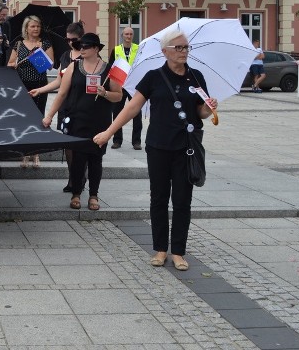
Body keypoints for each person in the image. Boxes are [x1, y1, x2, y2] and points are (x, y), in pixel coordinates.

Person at [93, 29, 218, 272]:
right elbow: (131, 109)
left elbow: (201, 112)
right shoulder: (153, 77)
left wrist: (210, 107)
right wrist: (109, 132)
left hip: (186, 148)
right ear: (165, 51)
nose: (184, 52)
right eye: (179, 48)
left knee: (183, 200)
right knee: (159, 198)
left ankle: (179, 252)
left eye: (186, 48)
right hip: (159, 147)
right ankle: (160, 249)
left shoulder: (196, 76)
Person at [43, 33, 122, 211]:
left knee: (96, 158)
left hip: (99, 120)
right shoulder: (74, 66)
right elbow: (62, 93)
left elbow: (118, 96)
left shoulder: (109, 70)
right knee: (78, 159)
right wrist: (49, 116)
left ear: (96, 49)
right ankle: (76, 193)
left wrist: (105, 94)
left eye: (85, 47)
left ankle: (94, 195)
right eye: (80, 46)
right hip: (77, 118)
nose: (82, 49)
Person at [29, 20, 85, 189]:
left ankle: (81, 176)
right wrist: (41, 89)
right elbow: (59, 82)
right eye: (67, 40)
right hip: (65, 105)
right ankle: (72, 178)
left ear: (81, 38)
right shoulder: (65, 56)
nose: (70, 43)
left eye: (73, 40)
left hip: (82, 105)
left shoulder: (88, 55)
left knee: (82, 145)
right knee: (68, 146)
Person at [8, 15, 54, 167]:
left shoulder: (45, 43)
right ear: (26, 28)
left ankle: (36, 153)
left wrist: (38, 57)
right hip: (22, 85)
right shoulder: (19, 44)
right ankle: (25, 154)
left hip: (40, 86)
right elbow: (10, 63)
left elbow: (50, 66)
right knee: (24, 118)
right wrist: (14, 64)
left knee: (38, 117)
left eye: (38, 26)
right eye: (33, 26)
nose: (36, 29)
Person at [110, 27, 143, 150]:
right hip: (119, 85)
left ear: (133, 35)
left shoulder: (138, 49)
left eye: (130, 34)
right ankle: (117, 140)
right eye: (126, 34)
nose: (128, 36)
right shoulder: (116, 50)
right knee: (117, 113)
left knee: (136, 113)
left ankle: (136, 141)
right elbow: (111, 67)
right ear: (122, 36)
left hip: (134, 85)